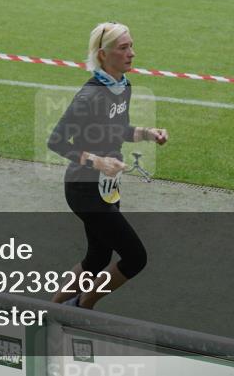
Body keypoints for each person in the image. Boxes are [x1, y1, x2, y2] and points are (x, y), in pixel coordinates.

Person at [47, 22, 168, 309]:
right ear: (103, 54)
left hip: (106, 188)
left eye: (132, 46)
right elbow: (57, 141)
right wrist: (98, 161)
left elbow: (120, 129)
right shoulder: (89, 96)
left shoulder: (122, 87)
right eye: (124, 48)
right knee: (135, 257)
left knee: (97, 258)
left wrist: (147, 133)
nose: (132, 53)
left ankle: (48, 313)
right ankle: (81, 308)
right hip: (83, 188)